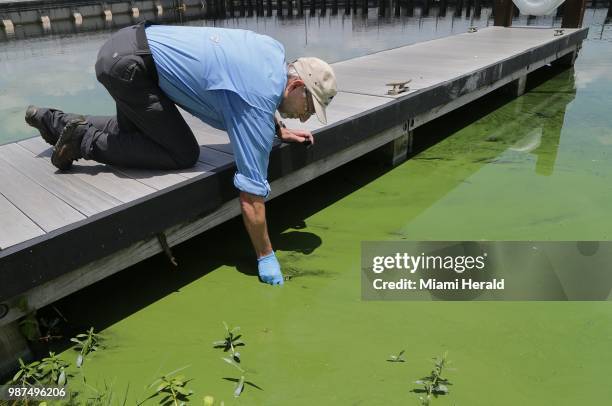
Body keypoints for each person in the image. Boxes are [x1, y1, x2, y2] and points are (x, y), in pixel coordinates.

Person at [24, 22, 337, 286]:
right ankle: (81, 142)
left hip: (126, 46)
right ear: (296, 85)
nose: (306, 117)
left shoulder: (272, 54)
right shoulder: (257, 102)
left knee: (136, 133)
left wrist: (279, 129)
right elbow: (251, 194)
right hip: (131, 68)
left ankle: (54, 122)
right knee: (182, 152)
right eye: (309, 107)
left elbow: (254, 86)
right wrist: (266, 255)